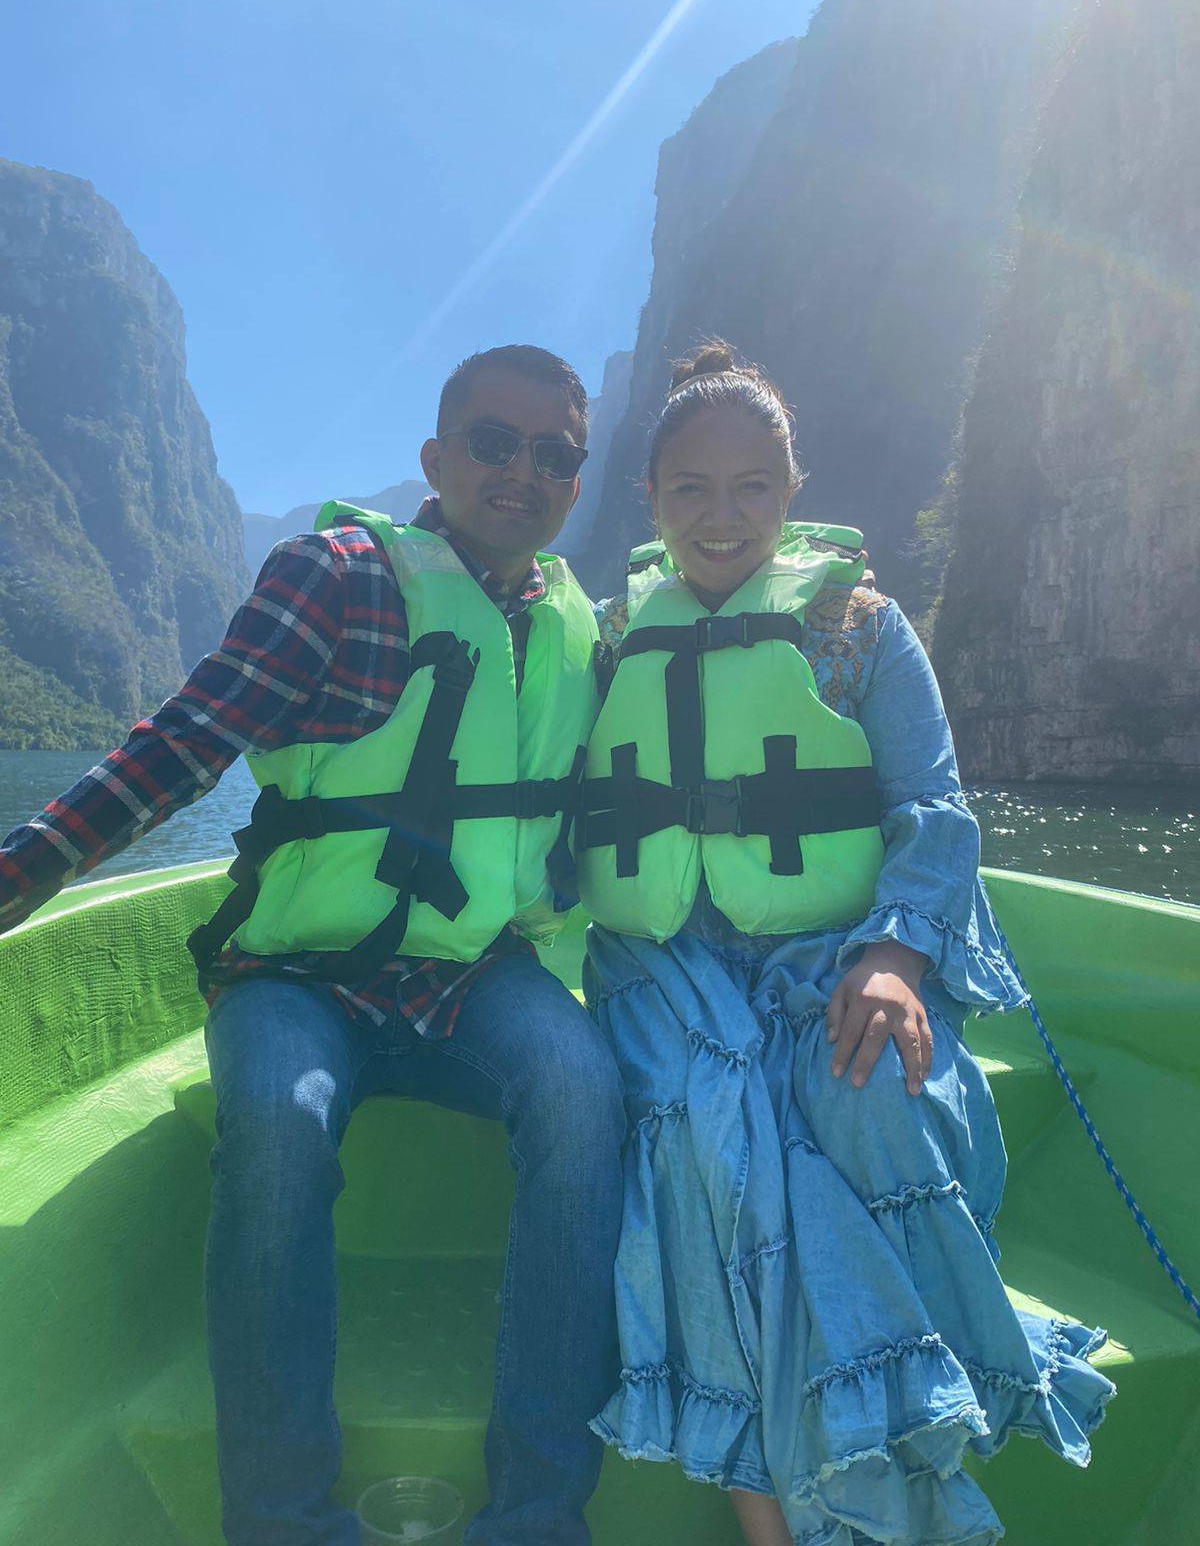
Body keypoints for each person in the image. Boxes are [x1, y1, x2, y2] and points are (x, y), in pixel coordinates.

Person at [0, 344, 625, 1546]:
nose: (524, 472)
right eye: (495, 443)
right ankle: (283, 1519)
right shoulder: (338, 577)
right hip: (295, 976)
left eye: (556, 455)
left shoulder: (578, 626)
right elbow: (187, 741)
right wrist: (19, 874)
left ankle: (538, 1516)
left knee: (586, 1092)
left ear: (576, 480)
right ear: (436, 458)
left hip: (474, 973)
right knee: (281, 1125)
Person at [575, 341, 1114, 1546]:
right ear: (650, 497)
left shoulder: (859, 627)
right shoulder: (613, 640)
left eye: (753, 486)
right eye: (691, 488)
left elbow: (934, 809)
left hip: (837, 951)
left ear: (794, 486)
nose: (722, 516)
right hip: (667, 970)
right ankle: (776, 1527)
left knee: (870, 1097)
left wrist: (897, 956)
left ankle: (890, 1461)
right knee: (704, 1142)